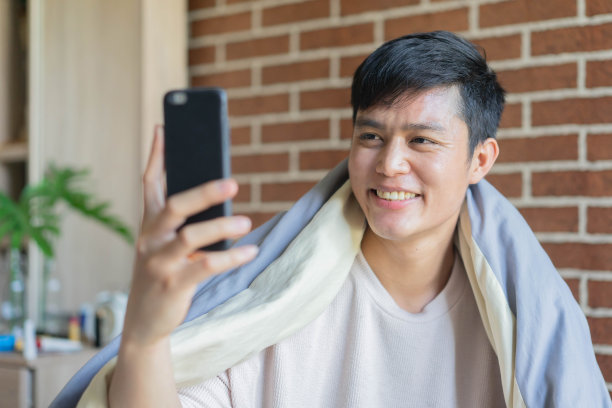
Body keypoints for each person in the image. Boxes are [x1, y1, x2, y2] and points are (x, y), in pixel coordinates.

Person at [53, 31, 610, 407]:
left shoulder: (522, 318)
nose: (389, 164)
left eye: (422, 140)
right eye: (371, 136)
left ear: (480, 161)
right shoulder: (275, 297)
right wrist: (146, 338)